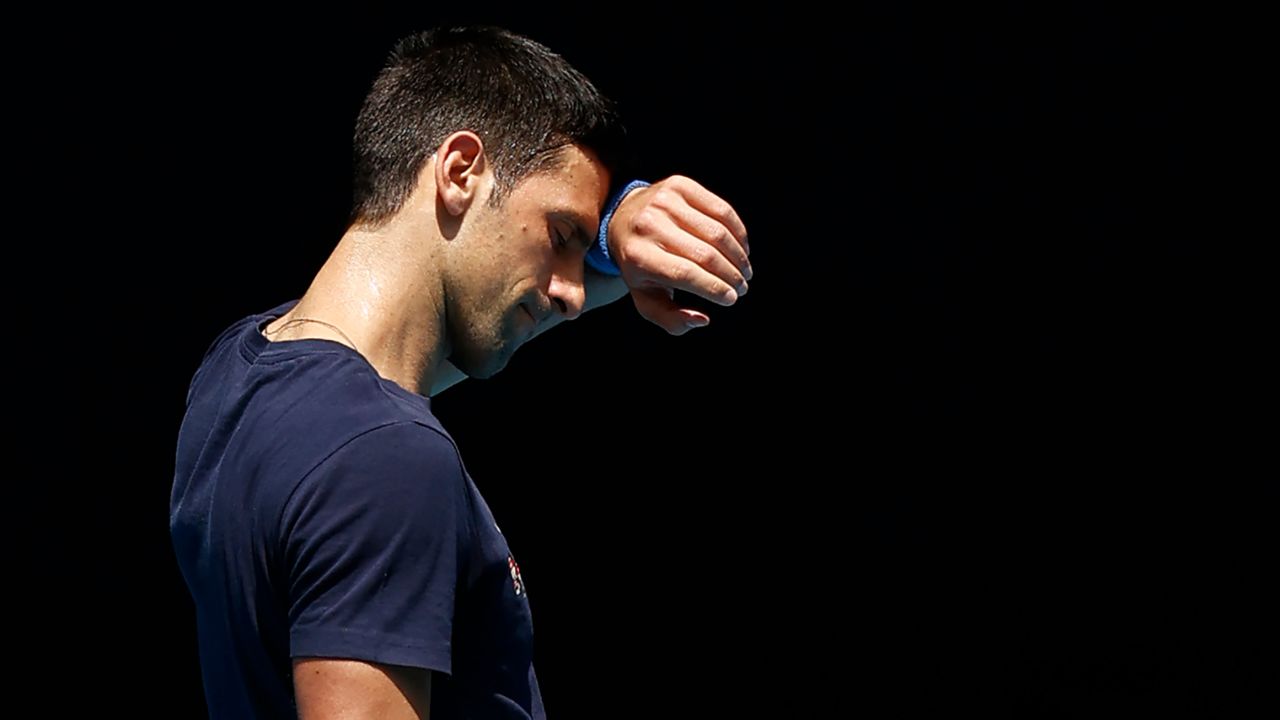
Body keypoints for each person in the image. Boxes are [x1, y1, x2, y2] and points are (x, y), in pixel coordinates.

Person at [170, 25, 751, 719]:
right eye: (561, 234)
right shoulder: (384, 457)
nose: (571, 291)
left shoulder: (240, 366)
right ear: (460, 171)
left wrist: (611, 228)